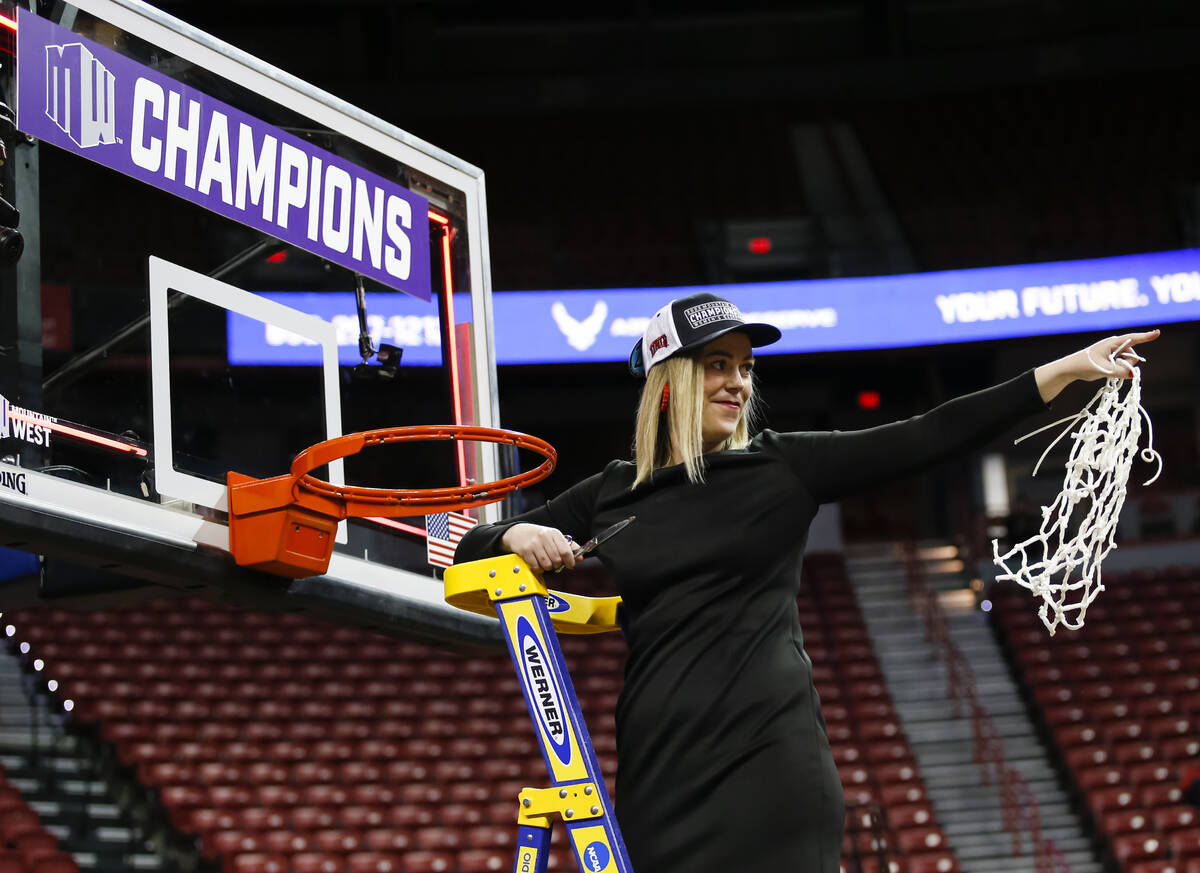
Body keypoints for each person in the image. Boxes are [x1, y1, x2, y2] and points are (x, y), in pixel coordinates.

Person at [453, 291, 1159, 873]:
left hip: (770, 769)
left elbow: (928, 433)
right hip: (658, 773)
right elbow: (462, 552)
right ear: (668, 382)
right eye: (716, 364)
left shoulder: (781, 467)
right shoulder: (612, 490)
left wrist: (1062, 371)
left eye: (746, 367)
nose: (738, 380)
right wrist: (515, 531)